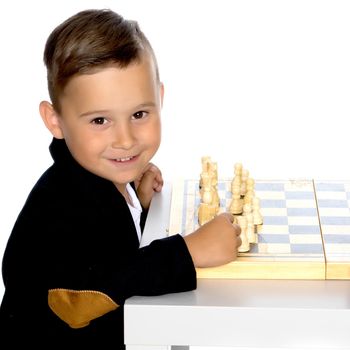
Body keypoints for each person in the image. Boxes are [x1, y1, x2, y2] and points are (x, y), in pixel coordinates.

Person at [0, 8, 241, 348]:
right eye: (100, 121)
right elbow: (82, 294)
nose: (126, 139)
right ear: (55, 120)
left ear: (160, 98)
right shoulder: (58, 206)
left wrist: (137, 206)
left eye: (139, 114)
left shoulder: (99, 181)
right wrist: (187, 251)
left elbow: (105, 250)